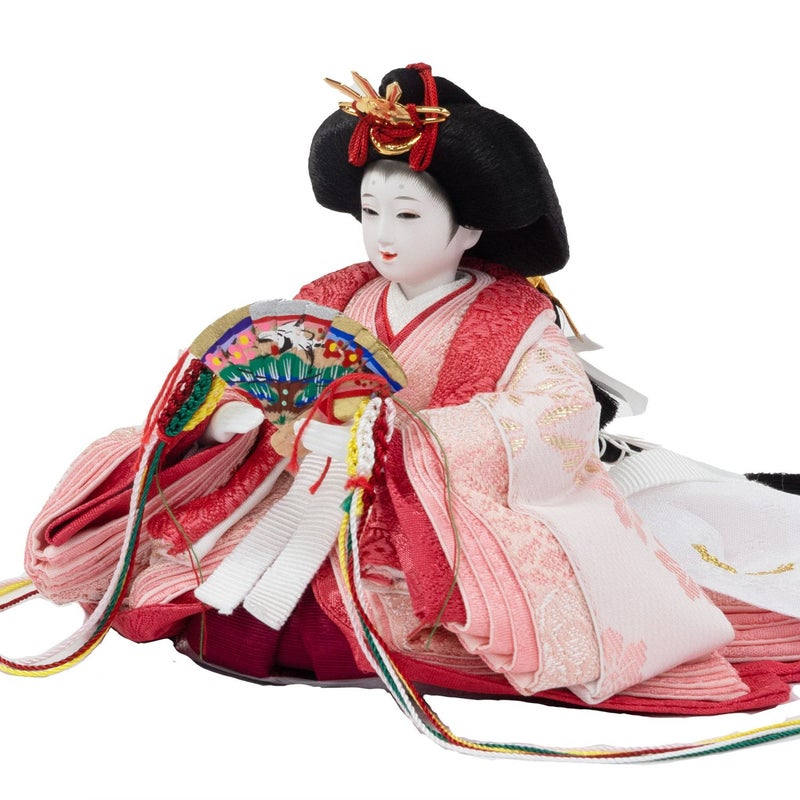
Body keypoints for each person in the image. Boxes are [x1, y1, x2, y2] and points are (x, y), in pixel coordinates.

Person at [21, 64, 800, 715]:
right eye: (369, 212)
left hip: (433, 513)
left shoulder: (515, 320)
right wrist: (237, 419)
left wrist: (406, 441)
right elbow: (260, 379)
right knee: (183, 568)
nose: (383, 235)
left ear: (469, 229)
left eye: (407, 213)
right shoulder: (333, 297)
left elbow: (555, 416)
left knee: (392, 613)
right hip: (302, 494)